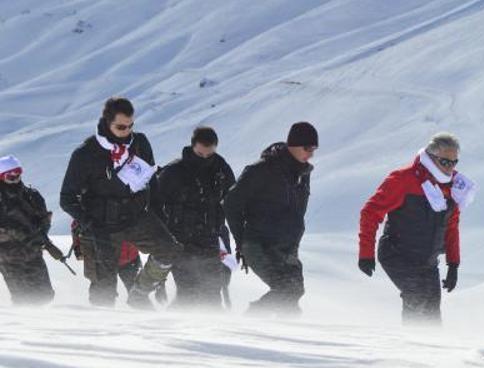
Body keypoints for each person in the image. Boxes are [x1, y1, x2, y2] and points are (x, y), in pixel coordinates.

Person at [59, 96, 182, 308]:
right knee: (104, 290)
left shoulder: (140, 143)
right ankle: (101, 334)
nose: (127, 131)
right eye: (121, 127)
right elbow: (66, 199)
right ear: (107, 123)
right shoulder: (85, 154)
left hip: (136, 217)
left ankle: (139, 293)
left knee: (169, 249)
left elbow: (151, 182)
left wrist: (160, 218)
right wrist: (90, 223)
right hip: (102, 226)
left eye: (131, 125)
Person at [358, 133, 477, 324]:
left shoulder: (451, 189)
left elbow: (451, 226)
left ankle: (431, 351)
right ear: (431, 158)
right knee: (417, 297)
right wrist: (366, 253)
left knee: (432, 313)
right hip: (397, 255)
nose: (450, 168)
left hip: (427, 262)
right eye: (445, 162)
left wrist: (453, 265)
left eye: (454, 162)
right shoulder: (403, 180)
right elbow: (370, 213)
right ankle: (411, 348)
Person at [223, 122, 317, 316]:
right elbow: (231, 203)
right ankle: (250, 319)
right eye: (307, 148)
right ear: (293, 144)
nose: (311, 154)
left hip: (287, 246)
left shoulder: (302, 175)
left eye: (314, 149)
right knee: (287, 290)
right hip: (259, 243)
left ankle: (286, 337)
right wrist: (241, 241)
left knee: (293, 294)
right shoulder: (262, 170)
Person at [156, 127, 236, 308]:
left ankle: (215, 332)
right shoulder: (173, 172)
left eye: (210, 154)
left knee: (212, 295)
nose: (205, 159)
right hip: (180, 243)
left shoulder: (222, 171)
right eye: (200, 154)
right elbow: (155, 208)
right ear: (192, 147)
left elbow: (232, 204)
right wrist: (161, 244)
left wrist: (226, 241)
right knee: (188, 293)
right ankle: (170, 330)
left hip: (210, 241)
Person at [0, 155, 55, 305]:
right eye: (10, 176)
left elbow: (43, 219)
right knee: (23, 300)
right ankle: (25, 328)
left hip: (33, 254)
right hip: (8, 258)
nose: (15, 178)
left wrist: (43, 233)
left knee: (45, 296)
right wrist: (19, 234)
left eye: (18, 173)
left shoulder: (32, 195)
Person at [71, 220, 142, 298]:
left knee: (137, 292)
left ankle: (142, 307)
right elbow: (77, 227)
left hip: (124, 258)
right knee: (102, 295)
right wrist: (78, 249)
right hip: (105, 260)